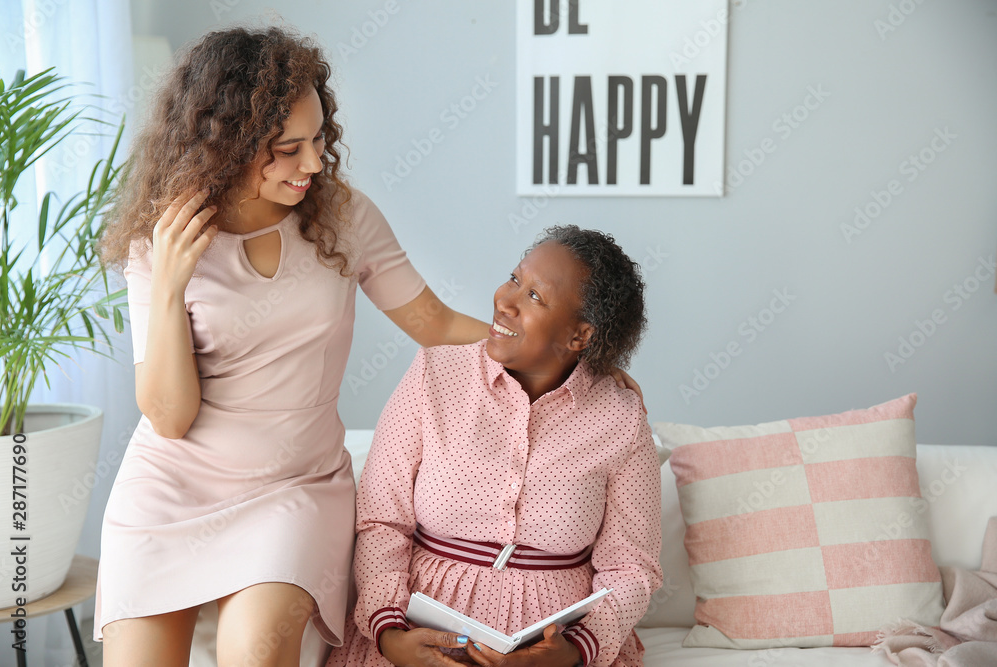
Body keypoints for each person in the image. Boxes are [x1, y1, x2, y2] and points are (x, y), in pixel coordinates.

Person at [93, 25, 641, 667]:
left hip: (292, 488)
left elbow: (433, 324)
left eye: (319, 138)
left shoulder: (342, 218)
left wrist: (576, 361)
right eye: (288, 148)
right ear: (228, 145)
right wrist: (167, 286)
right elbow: (169, 416)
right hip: (171, 487)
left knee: (254, 652)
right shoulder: (162, 241)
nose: (315, 162)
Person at [328, 226, 662, 667]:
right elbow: (380, 521)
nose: (505, 300)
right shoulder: (434, 374)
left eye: (535, 297)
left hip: (557, 647)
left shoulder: (620, 416)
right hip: (417, 632)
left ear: (579, 336)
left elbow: (632, 566)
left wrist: (575, 651)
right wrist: (389, 632)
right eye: (514, 279)